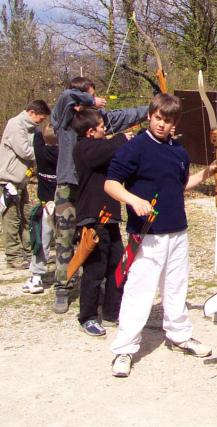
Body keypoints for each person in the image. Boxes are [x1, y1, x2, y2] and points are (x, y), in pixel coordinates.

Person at [104, 93, 217, 378]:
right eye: (158, 118)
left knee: (176, 287)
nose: (161, 124)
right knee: (139, 290)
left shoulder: (178, 151)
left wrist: (208, 172)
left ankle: (180, 335)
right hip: (147, 233)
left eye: (167, 120)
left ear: (174, 123)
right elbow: (111, 184)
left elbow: (181, 185)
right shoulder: (133, 148)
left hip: (177, 230)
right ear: (150, 116)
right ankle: (124, 348)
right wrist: (133, 200)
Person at [50, 76, 148, 315]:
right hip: (68, 187)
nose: (96, 106)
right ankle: (62, 287)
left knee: (97, 241)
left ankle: (101, 289)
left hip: (94, 191)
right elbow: (66, 97)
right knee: (65, 238)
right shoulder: (65, 117)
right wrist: (89, 99)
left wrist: (152, 109)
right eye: (90, 98)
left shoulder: (96, 121)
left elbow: (125, 116)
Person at [72, 108, 134, 336]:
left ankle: (111, 313)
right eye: (101, 127)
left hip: (110, 219)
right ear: (90, 132)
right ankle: (87, 317)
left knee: (117, 266)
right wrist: (121, 138)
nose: (105, 130)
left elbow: (117, 156)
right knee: (94, 271)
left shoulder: (102, 148)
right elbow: (108, 148)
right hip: (93, 219)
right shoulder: (83, 148)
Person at [0, 100, 51, 269]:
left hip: (21, 180)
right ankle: (13, 256)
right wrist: (46, 152)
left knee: (26, 217)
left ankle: (30, 250)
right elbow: (25, 151)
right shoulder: (15, 125)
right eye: (40, 119)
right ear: (31, 112)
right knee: (12, 219)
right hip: (8, 180)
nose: (41, 122)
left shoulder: (32, 128)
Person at [22, 125, 59, 294]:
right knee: (65, 242)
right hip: (64, 205)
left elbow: (37, 136)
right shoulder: (65, 155)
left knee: (42, 241)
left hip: (46, 206)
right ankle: (68, 275)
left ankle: (36, 277)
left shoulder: (40, 151)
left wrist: (40, 128)